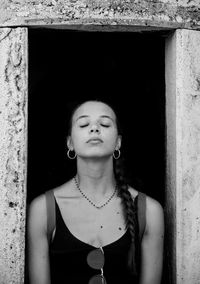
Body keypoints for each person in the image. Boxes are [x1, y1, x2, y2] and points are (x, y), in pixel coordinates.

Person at [27, 99, 164, 284]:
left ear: (118, 143)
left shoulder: (149, 211)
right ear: (70, 144)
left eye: (105, 123)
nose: (94, 128)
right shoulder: (42, 209)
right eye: (84, 124)